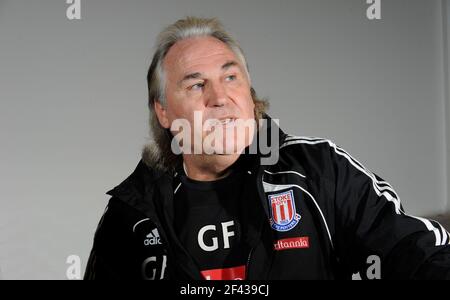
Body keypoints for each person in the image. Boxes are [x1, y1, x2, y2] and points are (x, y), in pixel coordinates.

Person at [84, 16, 450, 280]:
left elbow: (415, 253)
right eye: (196, 85)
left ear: (249, 93)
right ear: (163, 112)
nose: (219, 97)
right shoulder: (131, 214)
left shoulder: (318, 170)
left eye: (230, 78)